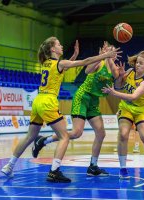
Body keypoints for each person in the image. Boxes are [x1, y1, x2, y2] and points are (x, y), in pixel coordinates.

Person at [1, 37, 121, 183]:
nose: (61, 45)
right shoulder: (60, 63)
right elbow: (84, 63)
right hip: (48, 102)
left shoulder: (46, 62)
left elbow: (63, 67)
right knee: (64, 137)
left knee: (29, 137)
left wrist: (74, 55)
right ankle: (54, 171)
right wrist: (104, 55)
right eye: (58, 44)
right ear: (53, 49)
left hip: (38, 100)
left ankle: (9, 165)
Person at [31, 42, 119, 177]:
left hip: (94, 101)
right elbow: (87, 70)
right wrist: (102, 56)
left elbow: (117, 79)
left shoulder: (114, 68)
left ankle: (93, 166)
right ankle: (43, 140)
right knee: (77, 132)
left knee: (101, 134)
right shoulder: (99, 63)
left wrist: (110, 60)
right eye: (109, 51)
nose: (111, 53)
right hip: (82, 97)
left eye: (113, 52)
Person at [102, 50, 144, 179]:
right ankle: (123, 168)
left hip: (141, 111)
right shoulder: (129, 72)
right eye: (137, 62)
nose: (138, 65)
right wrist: (120, 77)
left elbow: (134, 96)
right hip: (126, 107)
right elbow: (118, 87)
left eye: (141, 63)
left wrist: (114, 93)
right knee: (123, 134)